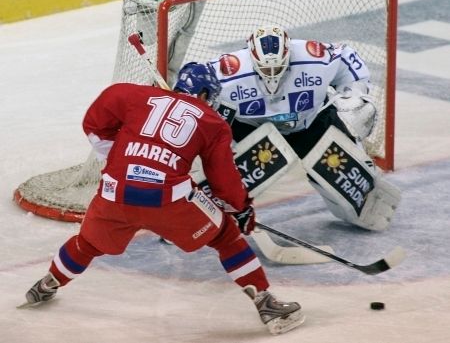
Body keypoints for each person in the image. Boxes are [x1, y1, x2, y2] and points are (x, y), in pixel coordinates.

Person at [21, 62, 304, 335]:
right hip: (168, 201)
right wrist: (241, 208)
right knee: (226, 238)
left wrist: (118, 157)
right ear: (205, 94)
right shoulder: (213, 122)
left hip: (115, 193)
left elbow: (94, 121)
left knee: (88, 243)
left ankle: (47, 284)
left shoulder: (135, 95)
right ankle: (265, 302)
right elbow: (224, 181)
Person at [203, 25, 401, 232]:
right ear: (251, 59)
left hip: (310, 122)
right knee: (230, 169)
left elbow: (346, 57)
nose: (272, 75)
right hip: (252, 128)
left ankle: (361, 192)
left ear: (288, 55)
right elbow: (195, 83)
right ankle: (198, 211)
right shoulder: (229, 70)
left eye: (278, 67)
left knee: (343, 163)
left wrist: (353, 95)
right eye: (266, 69)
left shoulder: (312, 56)